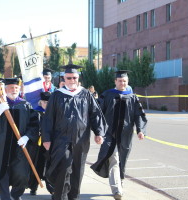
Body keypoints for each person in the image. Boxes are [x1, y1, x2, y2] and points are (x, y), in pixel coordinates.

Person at [41, 64, 107, 200]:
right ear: (64, 79)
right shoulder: (57, 95)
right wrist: (46, 138)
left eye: (74, 77)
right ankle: (60, 197)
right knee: (63, 168)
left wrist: (99, 132)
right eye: (69, 78)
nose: (72, 80)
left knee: (77, 171)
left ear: (78, 78)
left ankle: (73, 197)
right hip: (61, 140)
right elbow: (48, 118)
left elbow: (95, 114)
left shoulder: (86, 94)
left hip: (81, 140)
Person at [90, 70, 147, 200]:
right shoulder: (107, 95)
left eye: (125, 81)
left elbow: (139, 115)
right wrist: (98, 131)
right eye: (120, 80)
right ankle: (117, 190)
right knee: (113, 158)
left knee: (122, 159)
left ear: (128, 82)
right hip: (109, 134)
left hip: (125, 135)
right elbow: (97, 113)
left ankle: (120, 181)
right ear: (115, 81)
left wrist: (140, 130)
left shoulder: (132, 97)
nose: (122, 83)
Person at [0, 77, 39, 200]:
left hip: (20, 147)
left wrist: (27, 137)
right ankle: (5, 198)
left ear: (19, 89)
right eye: (11, 88)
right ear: (5, 89)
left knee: (21, 174)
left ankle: (16, 194)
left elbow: (34, 125)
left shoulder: (26, 105)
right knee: (3, 174)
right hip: (2, 147)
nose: (14, 90)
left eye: (16, 88)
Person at [28, 91, 54, 196]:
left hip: (50, 145)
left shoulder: (54, 114)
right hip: (37, 145)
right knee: (36, 165)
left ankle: (52, 188)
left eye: (48, 102)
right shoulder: (35, 113)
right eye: (44, 102)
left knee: (50, 166)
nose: (46, 104)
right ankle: (33, 187)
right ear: (40, 102)